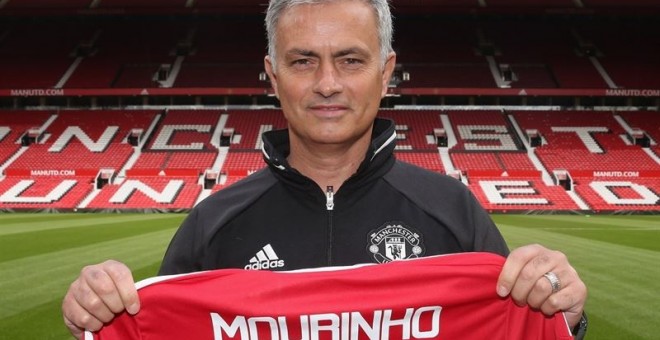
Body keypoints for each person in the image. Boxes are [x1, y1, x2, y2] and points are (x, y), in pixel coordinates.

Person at [62, 0, 588, 338]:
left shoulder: (452, 212)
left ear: (386, 74)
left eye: (351, 60)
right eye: (303, 60)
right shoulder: (213, 223)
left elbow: (513, 326)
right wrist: (99, 314)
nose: (328, 83)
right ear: (272, 75)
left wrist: (562, 316)